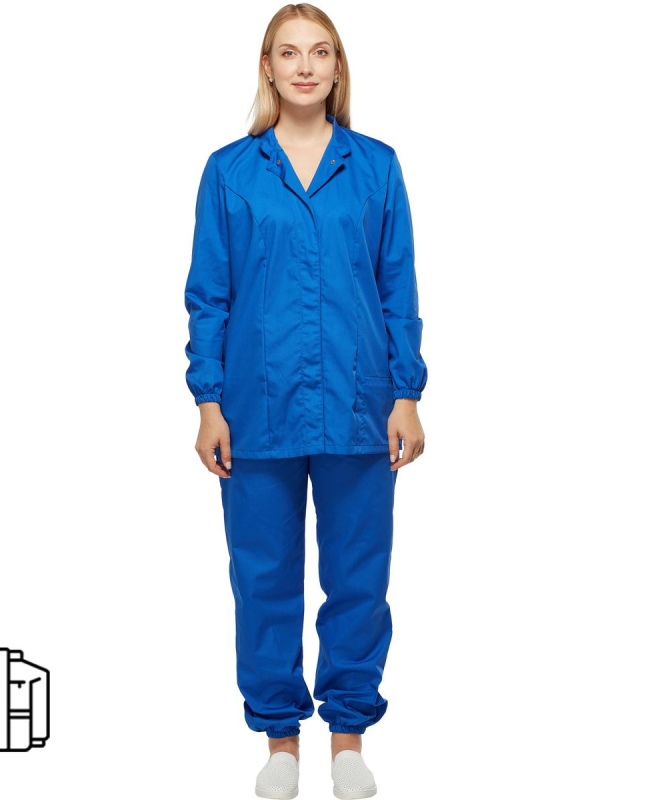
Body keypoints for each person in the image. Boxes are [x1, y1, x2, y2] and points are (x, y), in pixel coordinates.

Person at [183, 5, 427, 798]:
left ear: (337, 67)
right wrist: (208, 401)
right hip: (256, 406)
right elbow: (210, 295)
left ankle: (348, 741)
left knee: (358, 577)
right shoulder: (230, 171)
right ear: (268, 67)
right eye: (289, 53)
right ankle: (281, 742)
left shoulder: (376, 166)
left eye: (320, 52)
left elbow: (397, 288)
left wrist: (407, 392)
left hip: (360, 403)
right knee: (263, 579)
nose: (305, 67)